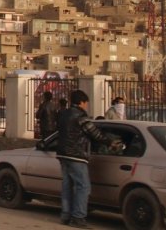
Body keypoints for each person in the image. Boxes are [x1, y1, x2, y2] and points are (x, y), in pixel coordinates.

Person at [56, 90, 122, 228]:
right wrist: (110, 142)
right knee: (83, 186)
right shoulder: (81, 116)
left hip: (62, 154)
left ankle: (65, 215)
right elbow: (95, 133)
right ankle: (78, 217)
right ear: (82, 102)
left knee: (68, 185)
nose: (86, 106)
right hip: (76, 155)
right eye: (86, 103)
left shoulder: (64, 114)